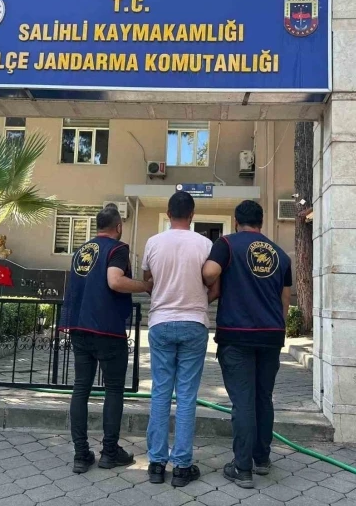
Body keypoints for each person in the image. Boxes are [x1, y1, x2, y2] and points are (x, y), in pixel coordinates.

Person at [202, 200, 292, 489]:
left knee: (242, 402)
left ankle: (242, 468)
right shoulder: (280, 254)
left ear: (235, 220)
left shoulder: (227, 245)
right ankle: (262, 459)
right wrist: (279, 330)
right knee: (263, 398)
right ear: (261, 223)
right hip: (271, 334)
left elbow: (209, 273)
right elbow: (285, 299)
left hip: (237, 334)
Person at [59, 204, 152, 474]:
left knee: (81, 388)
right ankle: (110, 452)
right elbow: (115, 281)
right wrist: (145, 286)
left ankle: (81, 454)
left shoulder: (82, 250)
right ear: (118, 227)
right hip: (107, 330)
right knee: (113, 389)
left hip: (79, 327)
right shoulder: (118, 249)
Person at [142, 191, 217, 487]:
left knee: (160, 392)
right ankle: (182, 467)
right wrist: (198, 302)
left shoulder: (153, 242)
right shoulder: (205, 244)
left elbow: (148, 281)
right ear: (193, 214)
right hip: (194, 324)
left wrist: (163, 296)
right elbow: (215, 285)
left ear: (168, 213)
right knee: (186, 395)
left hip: (160, 322)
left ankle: (156, 464)